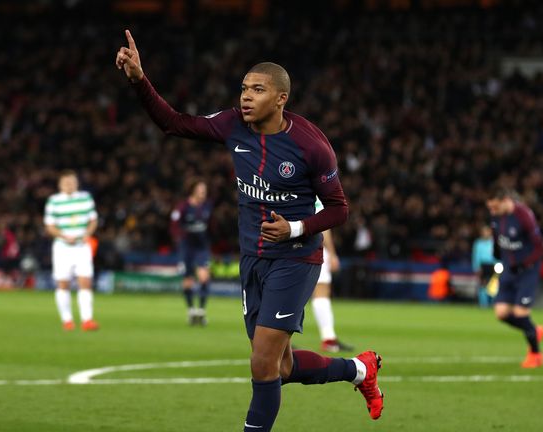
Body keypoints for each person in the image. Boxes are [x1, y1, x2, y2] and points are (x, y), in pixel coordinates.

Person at [116, 30, 383, 430]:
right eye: (243, 88)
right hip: (252, 257)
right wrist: (139, 78)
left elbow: (339, 209)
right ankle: (360, 371)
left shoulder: (311, 146)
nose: (245, 96)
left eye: (257, 89)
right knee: (283, 366)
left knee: (261, 364)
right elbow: (173, 123)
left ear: (280, 98)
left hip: (295, 258)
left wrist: (295, 228)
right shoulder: (231, 125)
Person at [486, 187, 543, 368]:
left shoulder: (523, 216)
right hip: (508, 269)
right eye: (490, 208)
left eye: (495, 207)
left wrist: (526, 263)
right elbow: (497, 240)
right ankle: (533, 330)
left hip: (526, 271)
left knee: (520, 313)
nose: (492, 211)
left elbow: (539, 247)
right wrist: (497, 258)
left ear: (505, 200)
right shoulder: (497, 217)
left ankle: (535, 354)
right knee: (501, 313)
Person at [44, 170, 99, 331]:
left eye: (72, 182)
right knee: (63, 284)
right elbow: (50, 226)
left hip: (82, 247)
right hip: (63, 248)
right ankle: (67, 320)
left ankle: (87, 320)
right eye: (66, 182)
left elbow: (93, 221)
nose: (69, 185)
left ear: (77, 183)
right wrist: (63, 236)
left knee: (85, 282)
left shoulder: (85, 198)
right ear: (60, 184)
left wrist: (87, 234)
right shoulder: (54, 201)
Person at [312, 197, 354, 352]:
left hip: (292, 245)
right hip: (313, 246)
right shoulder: (316, 193)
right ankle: (328, 338)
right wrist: (332, 253)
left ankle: (281, 341)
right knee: (321, 291)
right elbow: (323, 227)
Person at [170, 178, 213, 326]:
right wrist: (179, 238)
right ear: (193, 190)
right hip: (187, 247)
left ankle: (201, 311)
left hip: (201, 247)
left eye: (205, 191)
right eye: (201, 190)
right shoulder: (183, 207)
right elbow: (174, 224)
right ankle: (191, 311)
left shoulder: (207, 206)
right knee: (188, 280)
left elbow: (211, 225)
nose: (204, 193)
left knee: (204, 277)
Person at [472, 225, 497, 307]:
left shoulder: (494, 242)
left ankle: (493, 305)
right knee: (483, 286)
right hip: (483, 266)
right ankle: (484, 305)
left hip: (494, 266)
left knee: (494, 287)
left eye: (487, 231)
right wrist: (476, 268)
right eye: (484, 232)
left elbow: (499, 255)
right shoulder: (478, 243)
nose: (485, 233)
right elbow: (475, 256)